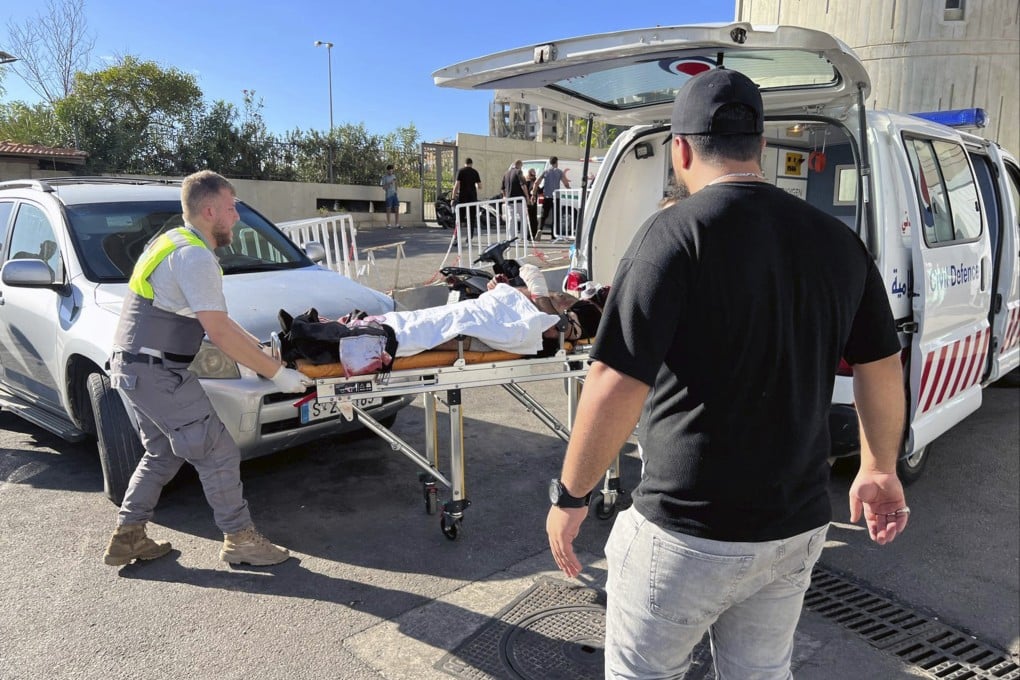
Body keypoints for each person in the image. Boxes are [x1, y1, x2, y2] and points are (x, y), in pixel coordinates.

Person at [545, 68, 909, 678]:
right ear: (760, 146)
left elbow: (614, 382)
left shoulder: (673, 234)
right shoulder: (838, 242)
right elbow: (881, 363)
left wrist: (571, 495)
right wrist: (877, 467)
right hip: (793, 531)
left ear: (680, 148)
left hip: (686, 532)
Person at [102, 170, 308, 568]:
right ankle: (240, 539)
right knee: (217, 451)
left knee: (162, 451)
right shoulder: (194, 256)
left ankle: (128, 536)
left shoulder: (171, 242)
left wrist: (264, 352)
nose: (236, 218)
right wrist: (278, 375)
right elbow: (216, 330)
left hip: (134, 369)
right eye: (231, 209)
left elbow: (222, 323)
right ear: (210, 210)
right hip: (157, 373)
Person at [533, 156, 570, 239]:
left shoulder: (546, 172)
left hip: (546, 196)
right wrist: (569, 189)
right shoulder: (559, 172)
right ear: (556, 162)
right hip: (556, 197)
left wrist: (534, 193)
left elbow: (536, 182)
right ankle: (553, 235)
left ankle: (540, 229)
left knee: (543, 215)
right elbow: (565, 183)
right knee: (556, 216)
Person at [452, 158, 482, 233]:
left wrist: (453, 198)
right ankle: (469, 237)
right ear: (471, 164)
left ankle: (456, 237)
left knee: (459, 218)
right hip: (472, 198)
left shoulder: (460, 171)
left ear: (465, 163)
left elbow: (456, 185)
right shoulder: (475, 172)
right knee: (471, 219)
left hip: (463, 198)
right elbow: (480, 187)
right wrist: (474, 184)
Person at [502, 160, 529, 237]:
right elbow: (523, 185)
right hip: (519, 199)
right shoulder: (519, 172)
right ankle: (523, 236)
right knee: (523, 218)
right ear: (519, 165)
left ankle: (511, 237)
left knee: (511, 219)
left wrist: (505, 196)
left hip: (509, 199)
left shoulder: (506, 173)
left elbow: (502, 188)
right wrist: (527, 197)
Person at [380, 164, 400, 228]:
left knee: (397, 208)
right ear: (387, 171)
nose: (391, 172)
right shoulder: (384, 177)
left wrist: (396, 191)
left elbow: (396, 183)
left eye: (392, 171)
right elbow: (383, 187)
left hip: (394, 194)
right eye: (390, 171)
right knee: (388, 209)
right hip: (388, 195)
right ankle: (388, 224)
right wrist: (389, 183)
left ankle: (397, 224)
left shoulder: (394, 176)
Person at [524, 168, 539, 240]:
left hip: (531, 202)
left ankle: (531, 235)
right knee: (531, 219)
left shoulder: (529, 181)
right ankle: (530, 235)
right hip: (530, 202)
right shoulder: (530, 182)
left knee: (532, 219)